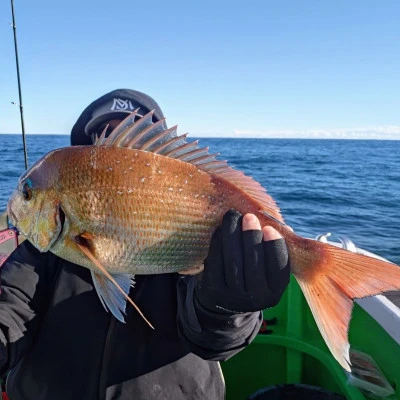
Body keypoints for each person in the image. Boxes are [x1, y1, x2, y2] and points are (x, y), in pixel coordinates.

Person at [0, 89, 290, 400]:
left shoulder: (180, 235)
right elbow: (12, 305)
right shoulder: (41, 251)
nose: (116, 150)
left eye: (134, 135)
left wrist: (225, 306)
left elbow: (215, 341)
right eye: (102, 138)